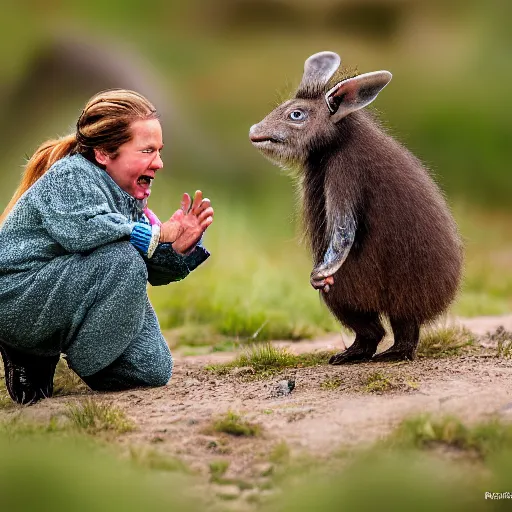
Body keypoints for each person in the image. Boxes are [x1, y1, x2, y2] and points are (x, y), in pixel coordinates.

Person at [0, 89, 214, 405]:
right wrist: (158, 234)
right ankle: (31, 350)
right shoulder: (70, 175)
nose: (159, 162)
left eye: (159, 150)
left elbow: (147, 267)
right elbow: (85, 231)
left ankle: (88, 361)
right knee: (124, 258)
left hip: (65, 291)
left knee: (153, 370)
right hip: (18, 298)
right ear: (103, 153)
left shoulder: (127, 195)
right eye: (147, 151)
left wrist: (179, 249)